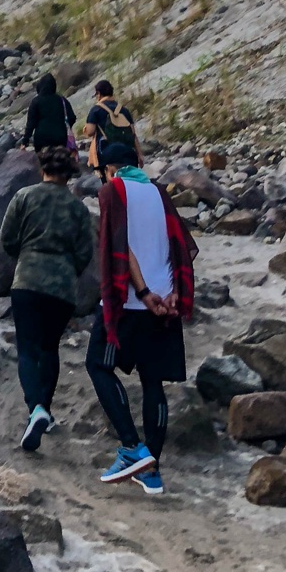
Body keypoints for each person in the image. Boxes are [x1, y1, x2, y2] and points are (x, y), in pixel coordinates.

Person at [84, 140, 197, 497]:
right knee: (153, 382)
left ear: (110, 169)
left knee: (98, 366)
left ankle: (133, 448)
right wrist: (173, 293)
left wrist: (144, 292)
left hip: (132, 301)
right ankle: (152, 472)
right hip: (166, 302)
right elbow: (178, 245)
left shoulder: (112, 191)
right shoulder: (159, 193)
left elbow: (121, 246)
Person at [0, 142, 93, 452]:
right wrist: (69, 269)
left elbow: (7, 238)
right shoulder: (78, 209)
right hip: (62, 287)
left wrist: (24, 255)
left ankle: (35, 409)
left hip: (27, 279)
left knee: (26, 348)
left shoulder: (24, 197)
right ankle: (46, 413)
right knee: (50, 348)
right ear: (69, 175)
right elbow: (85, 253)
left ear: (42, 170)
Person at [83, 79, 141, 175]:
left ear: (98, 94)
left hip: (107, 152)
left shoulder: (96, 109)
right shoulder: (123, 109)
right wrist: (139, 154)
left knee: (110, 184)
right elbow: (133, 134)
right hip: (128, 152)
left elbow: (90, 131)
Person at [20, 73, 77, 151]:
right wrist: (64, 127)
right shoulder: (62, 100)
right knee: (60, 159)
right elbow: (72, 117)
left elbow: (31, 124)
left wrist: (25, 142)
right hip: (60, 138)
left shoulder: (36, 101)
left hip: (42, 139)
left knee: (43, 160)